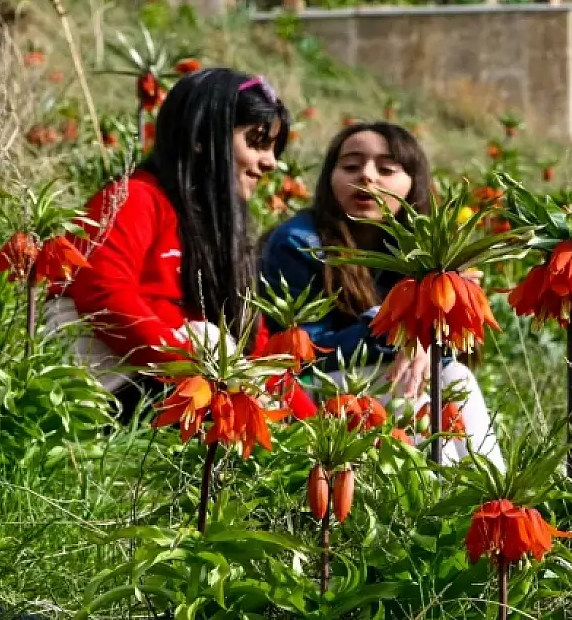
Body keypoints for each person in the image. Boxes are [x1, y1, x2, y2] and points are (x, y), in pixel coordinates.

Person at [44, 68, 313, 421]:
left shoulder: (216, 230)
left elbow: (255, 344)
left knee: (224, 349)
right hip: (107, 386)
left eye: (273, 149)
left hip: (166, 380)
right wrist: (195, 370)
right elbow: (103, 292)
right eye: (257, 143)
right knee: (211, 343)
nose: (271, 163)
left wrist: (316, 425)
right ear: (201, 137)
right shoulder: (136, 198)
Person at [259, 122, 505, 471]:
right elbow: (303, 352)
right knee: (414, 391)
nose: (367, 176)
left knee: (454, 378)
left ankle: (491, 498)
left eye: (386, 169)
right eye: (350, 166)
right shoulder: (298, 243)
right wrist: (398, 333)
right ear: (330, 178)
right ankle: (441, 500)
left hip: (383, 381)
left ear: (411, 183)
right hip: (311, 385)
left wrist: (430, 336)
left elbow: (455, 346)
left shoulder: (419, 247)